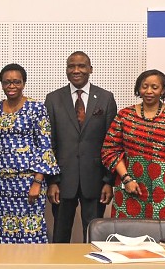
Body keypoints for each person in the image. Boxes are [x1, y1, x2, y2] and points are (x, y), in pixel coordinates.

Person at [102, 70, 165, 224]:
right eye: (144, 86)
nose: (149, 91)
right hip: (130, 187)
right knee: (129, 234)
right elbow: (109, 150)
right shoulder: (124, 115)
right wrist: (126, 179)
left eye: (155, 87)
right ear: (138, 89)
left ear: (163, 90)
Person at [44, 51, 117, 243]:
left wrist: (108, 181)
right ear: (66, 70)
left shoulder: (105, 98)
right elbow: (48, 143)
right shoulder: (53, 99)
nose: (76, 70)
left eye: (81, 66)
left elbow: (112, 144)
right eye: (71, 66)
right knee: (60, 236)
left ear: (90, 69)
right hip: (62, 181)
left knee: (94, 237)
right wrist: (52, 181)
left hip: (95, 181)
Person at [0, 64, 59, 243]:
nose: (11, 86)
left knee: (31, 230)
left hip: (29, 182)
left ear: (24, 83)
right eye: (7, 82)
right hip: (2, 184)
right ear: (1, 84)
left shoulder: (36, 109)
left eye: (16, 82)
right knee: (3, 230)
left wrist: (38, 182)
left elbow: (45, 146)